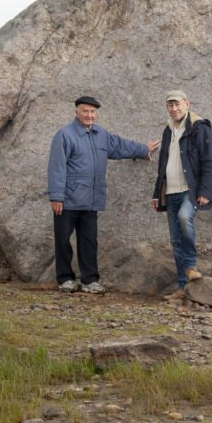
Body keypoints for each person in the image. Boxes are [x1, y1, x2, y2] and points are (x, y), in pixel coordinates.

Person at [48, 96, 160, 294]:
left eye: (92, 112)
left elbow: (119, 146)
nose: (89, 115)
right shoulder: (64, 134)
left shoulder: (101, 135)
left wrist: (144, 149)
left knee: (89, 241)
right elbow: (56, 166)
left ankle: (90, 280)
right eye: (85, 111)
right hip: (68, 200)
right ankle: (65, 279)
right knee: (63, 240)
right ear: (76, 113)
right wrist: (56, 196)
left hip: (91, 199)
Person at [151, 90, 212, 301]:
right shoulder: (168, 130)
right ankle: (182, 287)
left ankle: (190, 265)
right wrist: (157, 194)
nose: (174, 109)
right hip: (170, 191)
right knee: (175, 240)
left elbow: (210, 160)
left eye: (177, 104)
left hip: (190, 190)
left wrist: (206, 191)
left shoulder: (199, 127)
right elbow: (163, 163)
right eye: (170, 105)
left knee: (184, 217)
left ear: (186, 104)